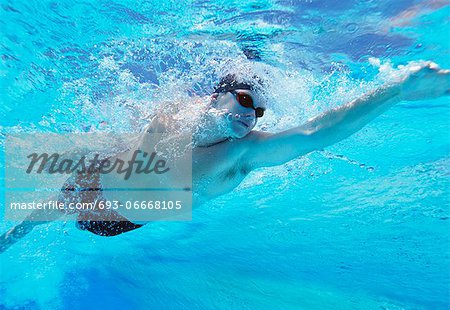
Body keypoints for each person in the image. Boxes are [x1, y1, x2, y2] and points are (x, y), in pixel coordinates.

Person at [1, 61, 449, 252]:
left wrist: (396, 91)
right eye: (244, 101)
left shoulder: (242, 153)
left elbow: (315, 133)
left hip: (118, 217)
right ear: (214, 98)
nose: (252, 115)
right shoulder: (177, 109)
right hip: (102, 176)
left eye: (259, 111)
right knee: (43, 209)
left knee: (65, 206)